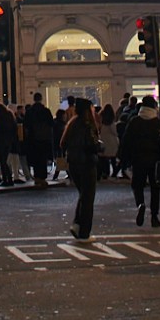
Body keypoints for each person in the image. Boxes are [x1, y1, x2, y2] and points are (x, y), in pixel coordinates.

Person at [120, 96, 160, 226]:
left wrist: (124, 159)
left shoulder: (134, 121)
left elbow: (126, 141)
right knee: (155, 188)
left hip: (138, 159)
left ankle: (140, 204)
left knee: (137, 185)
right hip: (154, 160)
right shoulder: (158, 123)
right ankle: (154, 216)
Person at [64, 97, 101, 240]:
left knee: (83, 195)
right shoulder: (87, 125)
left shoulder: (72, 124)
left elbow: (63, 143)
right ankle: (84, 231)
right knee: (88, 198)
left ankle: (77, 223)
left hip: (74, 164)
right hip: (87, 163)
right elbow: (92, 145)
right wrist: (100, 146)